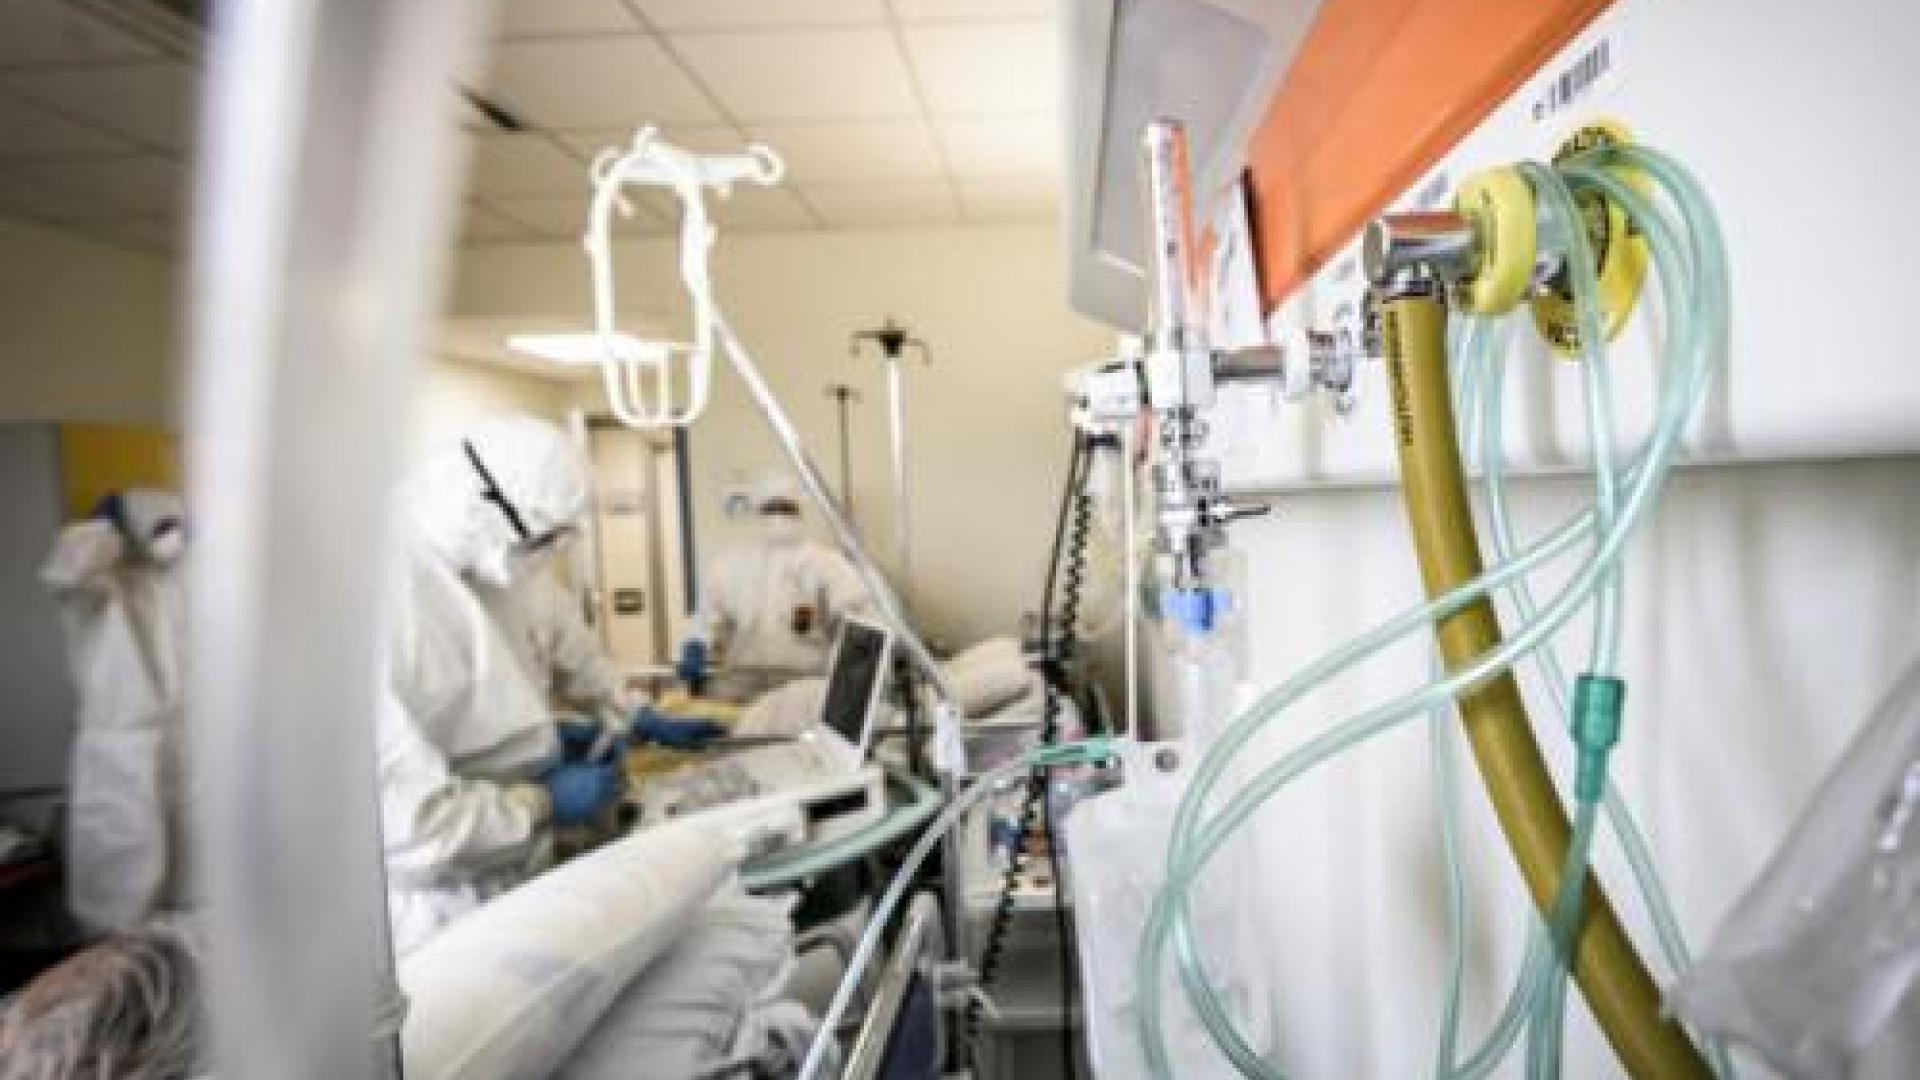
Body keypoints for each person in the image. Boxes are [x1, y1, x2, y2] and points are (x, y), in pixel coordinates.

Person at [378, 415, 720, 954]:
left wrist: (575, 730)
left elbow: (554, 652)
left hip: (509, 868)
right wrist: (542, 801)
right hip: (437, 910)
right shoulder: (378, 601)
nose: (545, 557)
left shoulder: (479, 565)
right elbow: (415, 828)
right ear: (486, 506)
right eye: (542, 540)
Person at [40, 489, 191, 937]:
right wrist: (104, 527)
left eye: (173, 527)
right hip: (120, 753)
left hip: (188, 745)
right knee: (118, 898)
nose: (166, 537)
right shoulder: (98, 588)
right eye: (157, 527)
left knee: (194, 889)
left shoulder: (184, 584)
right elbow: (66, 572)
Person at [677, 472, 874, 701]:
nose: (778, 516)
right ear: (758, 512)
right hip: (741, 684)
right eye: (770, 508)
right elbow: (705, 618)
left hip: (806, 685)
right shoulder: (729, 565)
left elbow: (861, 618)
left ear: (799, 511)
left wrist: (853, 678)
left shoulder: (828, 564)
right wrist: (696, 644)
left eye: (786, 508)